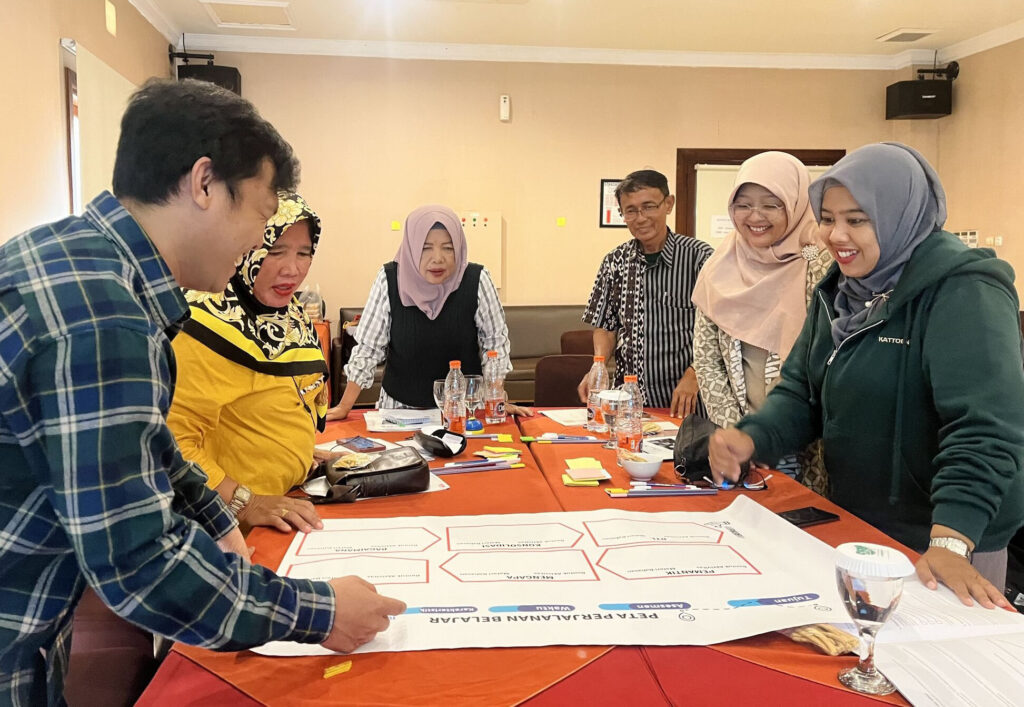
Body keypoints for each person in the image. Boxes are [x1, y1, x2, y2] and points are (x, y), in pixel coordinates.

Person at [0, 79, 404, 705]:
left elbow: (148, 444)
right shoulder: (102, 315)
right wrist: (318, 613)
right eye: (263, 218)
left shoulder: (81, 263)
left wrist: (217, 516)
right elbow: (136, 563)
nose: (260, 245)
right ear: (205, 183)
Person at [709, 142, 1024, 609]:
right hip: (863, 522)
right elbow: (801, 391)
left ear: (900, 216)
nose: (836, 234)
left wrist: (953, 539)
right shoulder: (839, 292)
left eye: (857, 219)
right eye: (828, 217)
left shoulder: (964, 292)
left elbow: (985, 428)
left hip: (948, 540)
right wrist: (752, 438)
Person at [168, 192, 328, 534]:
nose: (292, 268)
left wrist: (300, 454)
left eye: (304, 253)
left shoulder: (287, 314)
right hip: (226, 526)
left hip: (284, 507)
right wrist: (246, 502)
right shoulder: (204, 326)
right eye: (274, 251)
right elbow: (171, 441)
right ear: (244, 247)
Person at [691, 152, 832, 493]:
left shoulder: (819, 265)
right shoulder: (720, 264)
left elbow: (825, 361)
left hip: (809, 444)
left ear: (796, 205)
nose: (755, 217)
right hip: (739, 447)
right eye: (743, 204)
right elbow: (707, 360)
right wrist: (741, 436)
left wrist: (772, 433)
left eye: (772, 205)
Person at [328, 204, 531, 418]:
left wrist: (496, 398)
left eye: (448, 247)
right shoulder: (389, 280)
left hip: (465, 411)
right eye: (425, 247)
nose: (437, 258)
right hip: (400, 411)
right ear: (411, 247)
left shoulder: (477, 279)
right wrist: (344, 406)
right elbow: (368, 349)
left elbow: (495, 344)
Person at [579, 169, 714, 417]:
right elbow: (606, 325)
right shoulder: (615, 261)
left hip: (688, 402)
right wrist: (598, 366)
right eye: (630, 210)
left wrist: (696, 373)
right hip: (630, 403)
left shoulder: (700, 258)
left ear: (668, 204)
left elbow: (721, 328)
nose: (640, 218)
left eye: (649, 207)